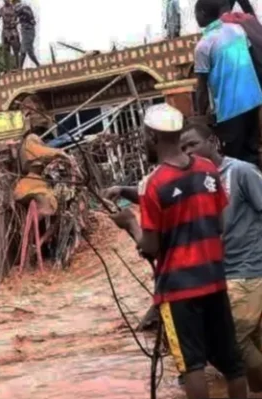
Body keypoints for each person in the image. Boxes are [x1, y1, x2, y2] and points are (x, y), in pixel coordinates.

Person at [108, 104, 248, 399]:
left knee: (191, 366)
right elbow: (219, 223)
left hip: (179, 290)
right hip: (214, 280)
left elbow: (151, 247)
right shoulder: (209, 170)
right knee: (233, 365)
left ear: (151, 137)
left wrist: (129, 222)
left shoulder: (153, 184)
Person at [180, 120, 262, 392]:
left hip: (249, 268)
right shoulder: (198, 181)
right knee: (253, 338)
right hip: (219, 273)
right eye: (183, 148)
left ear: (212, 142)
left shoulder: (241, 171)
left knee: (230, 340)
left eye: (193, 144)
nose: (189, 152)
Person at [194, 0, 262, 165]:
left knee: (234, 160)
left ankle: (244, 189)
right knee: (252, 152)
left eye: (195, 13)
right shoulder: (238, 29)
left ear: (202, 14)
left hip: (230, 109)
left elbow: (201, 88)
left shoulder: (203, 45)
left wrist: (199, 115)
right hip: (253, 102)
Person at [12, 0, 40, 68]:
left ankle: (20, 68)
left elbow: (16, 15)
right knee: (29, 52)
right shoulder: (25, 7)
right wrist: (17, 22)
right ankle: (38, 65)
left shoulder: (19, 8)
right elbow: (25, 17)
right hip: (27, 30)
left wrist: (14, 22)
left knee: (23, 50)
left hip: (28, 30)